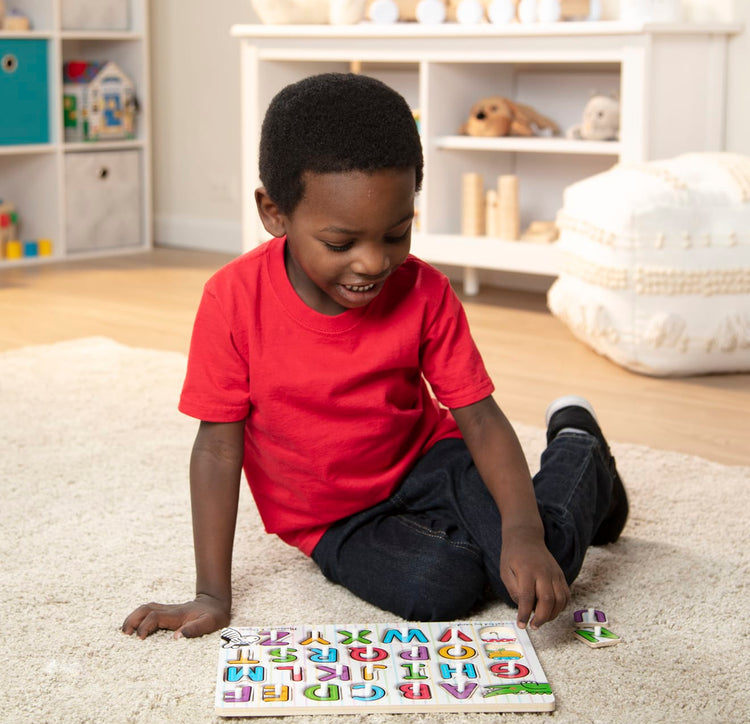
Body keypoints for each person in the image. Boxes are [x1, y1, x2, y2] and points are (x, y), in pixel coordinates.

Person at [122, 73, 627, 641]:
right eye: (341, 244)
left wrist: (522, 533)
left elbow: (480, 418)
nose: (373, 263)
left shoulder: (426, 292)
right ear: (274, 213)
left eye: (397, 233)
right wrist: (212, 593)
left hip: (430, 464)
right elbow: (217, 448)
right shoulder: (231, 300)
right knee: (441, 587)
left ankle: (579, 446)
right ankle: (563, 494)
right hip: (333, 520)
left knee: (539, 557)